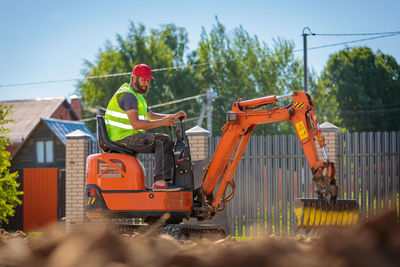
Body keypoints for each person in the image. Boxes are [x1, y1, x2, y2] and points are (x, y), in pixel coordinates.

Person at [104, 64, 186, 191]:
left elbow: (151, 115)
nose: (146, 84)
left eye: (148, 81)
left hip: (126, 136)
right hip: (123, 138)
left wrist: (172, 117)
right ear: (134, 78)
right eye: (143, 80)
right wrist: (162, 122)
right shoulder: (128, 96)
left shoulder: (138, 96)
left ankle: (164, 182)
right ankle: (160, 183)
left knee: (163, 141)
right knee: (162, 141)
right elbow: (136, 124)